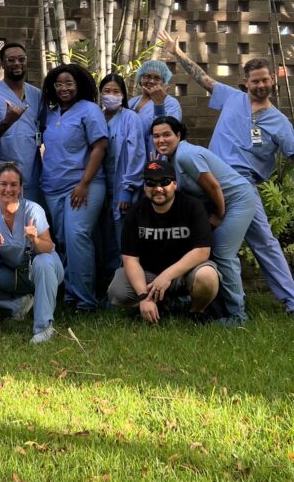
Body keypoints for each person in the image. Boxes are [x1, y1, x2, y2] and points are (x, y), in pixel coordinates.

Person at [158, 30, 294, 316]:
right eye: (255, 81)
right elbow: (202, 79)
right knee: (195, 240)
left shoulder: (280, 123)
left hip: (242, 188)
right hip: (207, 181)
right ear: (245, 83)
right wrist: (178, 53)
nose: (260, 85)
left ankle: (288, 301)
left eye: (265, 80)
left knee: (264, 244)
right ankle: (194, 299)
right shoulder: (232, 98)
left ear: (274, 80)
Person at [151, 115, 258, 325]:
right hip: (221, 203)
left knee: (223, 253)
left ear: (178, 135)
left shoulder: (185, 155)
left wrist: (218, 215)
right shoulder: (169, 159)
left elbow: (213, 187)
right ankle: (217, 309)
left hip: (236, 200)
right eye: (156, 136)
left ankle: (238, 316)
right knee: (210, 252)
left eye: (167, 134)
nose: (161, 140)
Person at [108, 160, 219, 324]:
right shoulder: (136, 212)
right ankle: (156, 305)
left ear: (174, 184)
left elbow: (202, 251)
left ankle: (196, 312)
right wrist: (143, 296)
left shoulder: (192, 206)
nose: (158, 188)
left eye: (165, 182)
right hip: (149, 275)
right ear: (145, 187)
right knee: (117, 290)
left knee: (207, 277)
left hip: (185, 272)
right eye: (151, 183)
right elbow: (130, 259)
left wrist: (167, 276)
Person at [41, 63, 108, 312]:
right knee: (63, 240)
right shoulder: (50, 114)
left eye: (69, 83)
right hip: (53, 187)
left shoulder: (89, 110)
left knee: (77, 236)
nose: (64, 88)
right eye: (59, 84)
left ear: (79, 85)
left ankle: (86, 300)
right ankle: (71, 295)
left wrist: (83, 183)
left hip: (84, 186)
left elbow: (100, 147)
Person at [0, 162, 64, 344]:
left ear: (21, 188)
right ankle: (16, 305)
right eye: (3, 184)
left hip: (42, 269)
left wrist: (35, 240)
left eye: (14, 184)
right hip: (14, 274)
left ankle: (43, 328)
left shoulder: (33, 210)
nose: (8, 189)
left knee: (43, 262)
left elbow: (48, 247)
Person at [0, 42, 42, 207]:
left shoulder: (36, 94)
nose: (17, 63)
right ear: (3, 64)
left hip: (30, 173)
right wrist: (7, 121)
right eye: (11, 60)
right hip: (0, 173)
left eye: (21, 59)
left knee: (29, 225)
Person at [99, 73, 146, 281]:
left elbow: (137, 154)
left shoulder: (130, 118)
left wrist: (128, 188)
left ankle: (125, 284)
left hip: (123, 187)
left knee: (123, 237)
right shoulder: (97, 117)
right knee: (105, 237)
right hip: (101, 186)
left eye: (116, 92)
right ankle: (109, 284)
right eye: (107, 91)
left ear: (124, 95)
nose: (111, 96)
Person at [128, 59, 182, 157]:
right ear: (140, 78)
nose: (151, 81)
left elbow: (170, 131)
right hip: (129, 155)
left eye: (157, 78)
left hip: (154, 157)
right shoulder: (132, 102)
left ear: (164, 82)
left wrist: (159, 104)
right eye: (147, 76)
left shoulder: (170, 103)